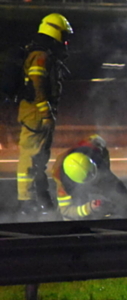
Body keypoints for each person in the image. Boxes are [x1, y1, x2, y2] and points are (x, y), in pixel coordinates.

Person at [16, 13, 72, 218]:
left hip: (37, 113)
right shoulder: (41, 56)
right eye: (63, 35)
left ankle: (39, 196)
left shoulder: (44, 53)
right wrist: (45, 111)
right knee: (30, 157)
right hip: (35, 114)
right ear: (54, 32)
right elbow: (37, 84)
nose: (65, 41)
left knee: (39, 157)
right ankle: (26, 201)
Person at [52, 134, 127, 220]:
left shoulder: (93, 147)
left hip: (97, 170)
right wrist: (89, 208)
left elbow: (98, 140)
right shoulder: (61, 182)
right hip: (77, 193)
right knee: (70, 219)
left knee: (119, 194)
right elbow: (66, 211)